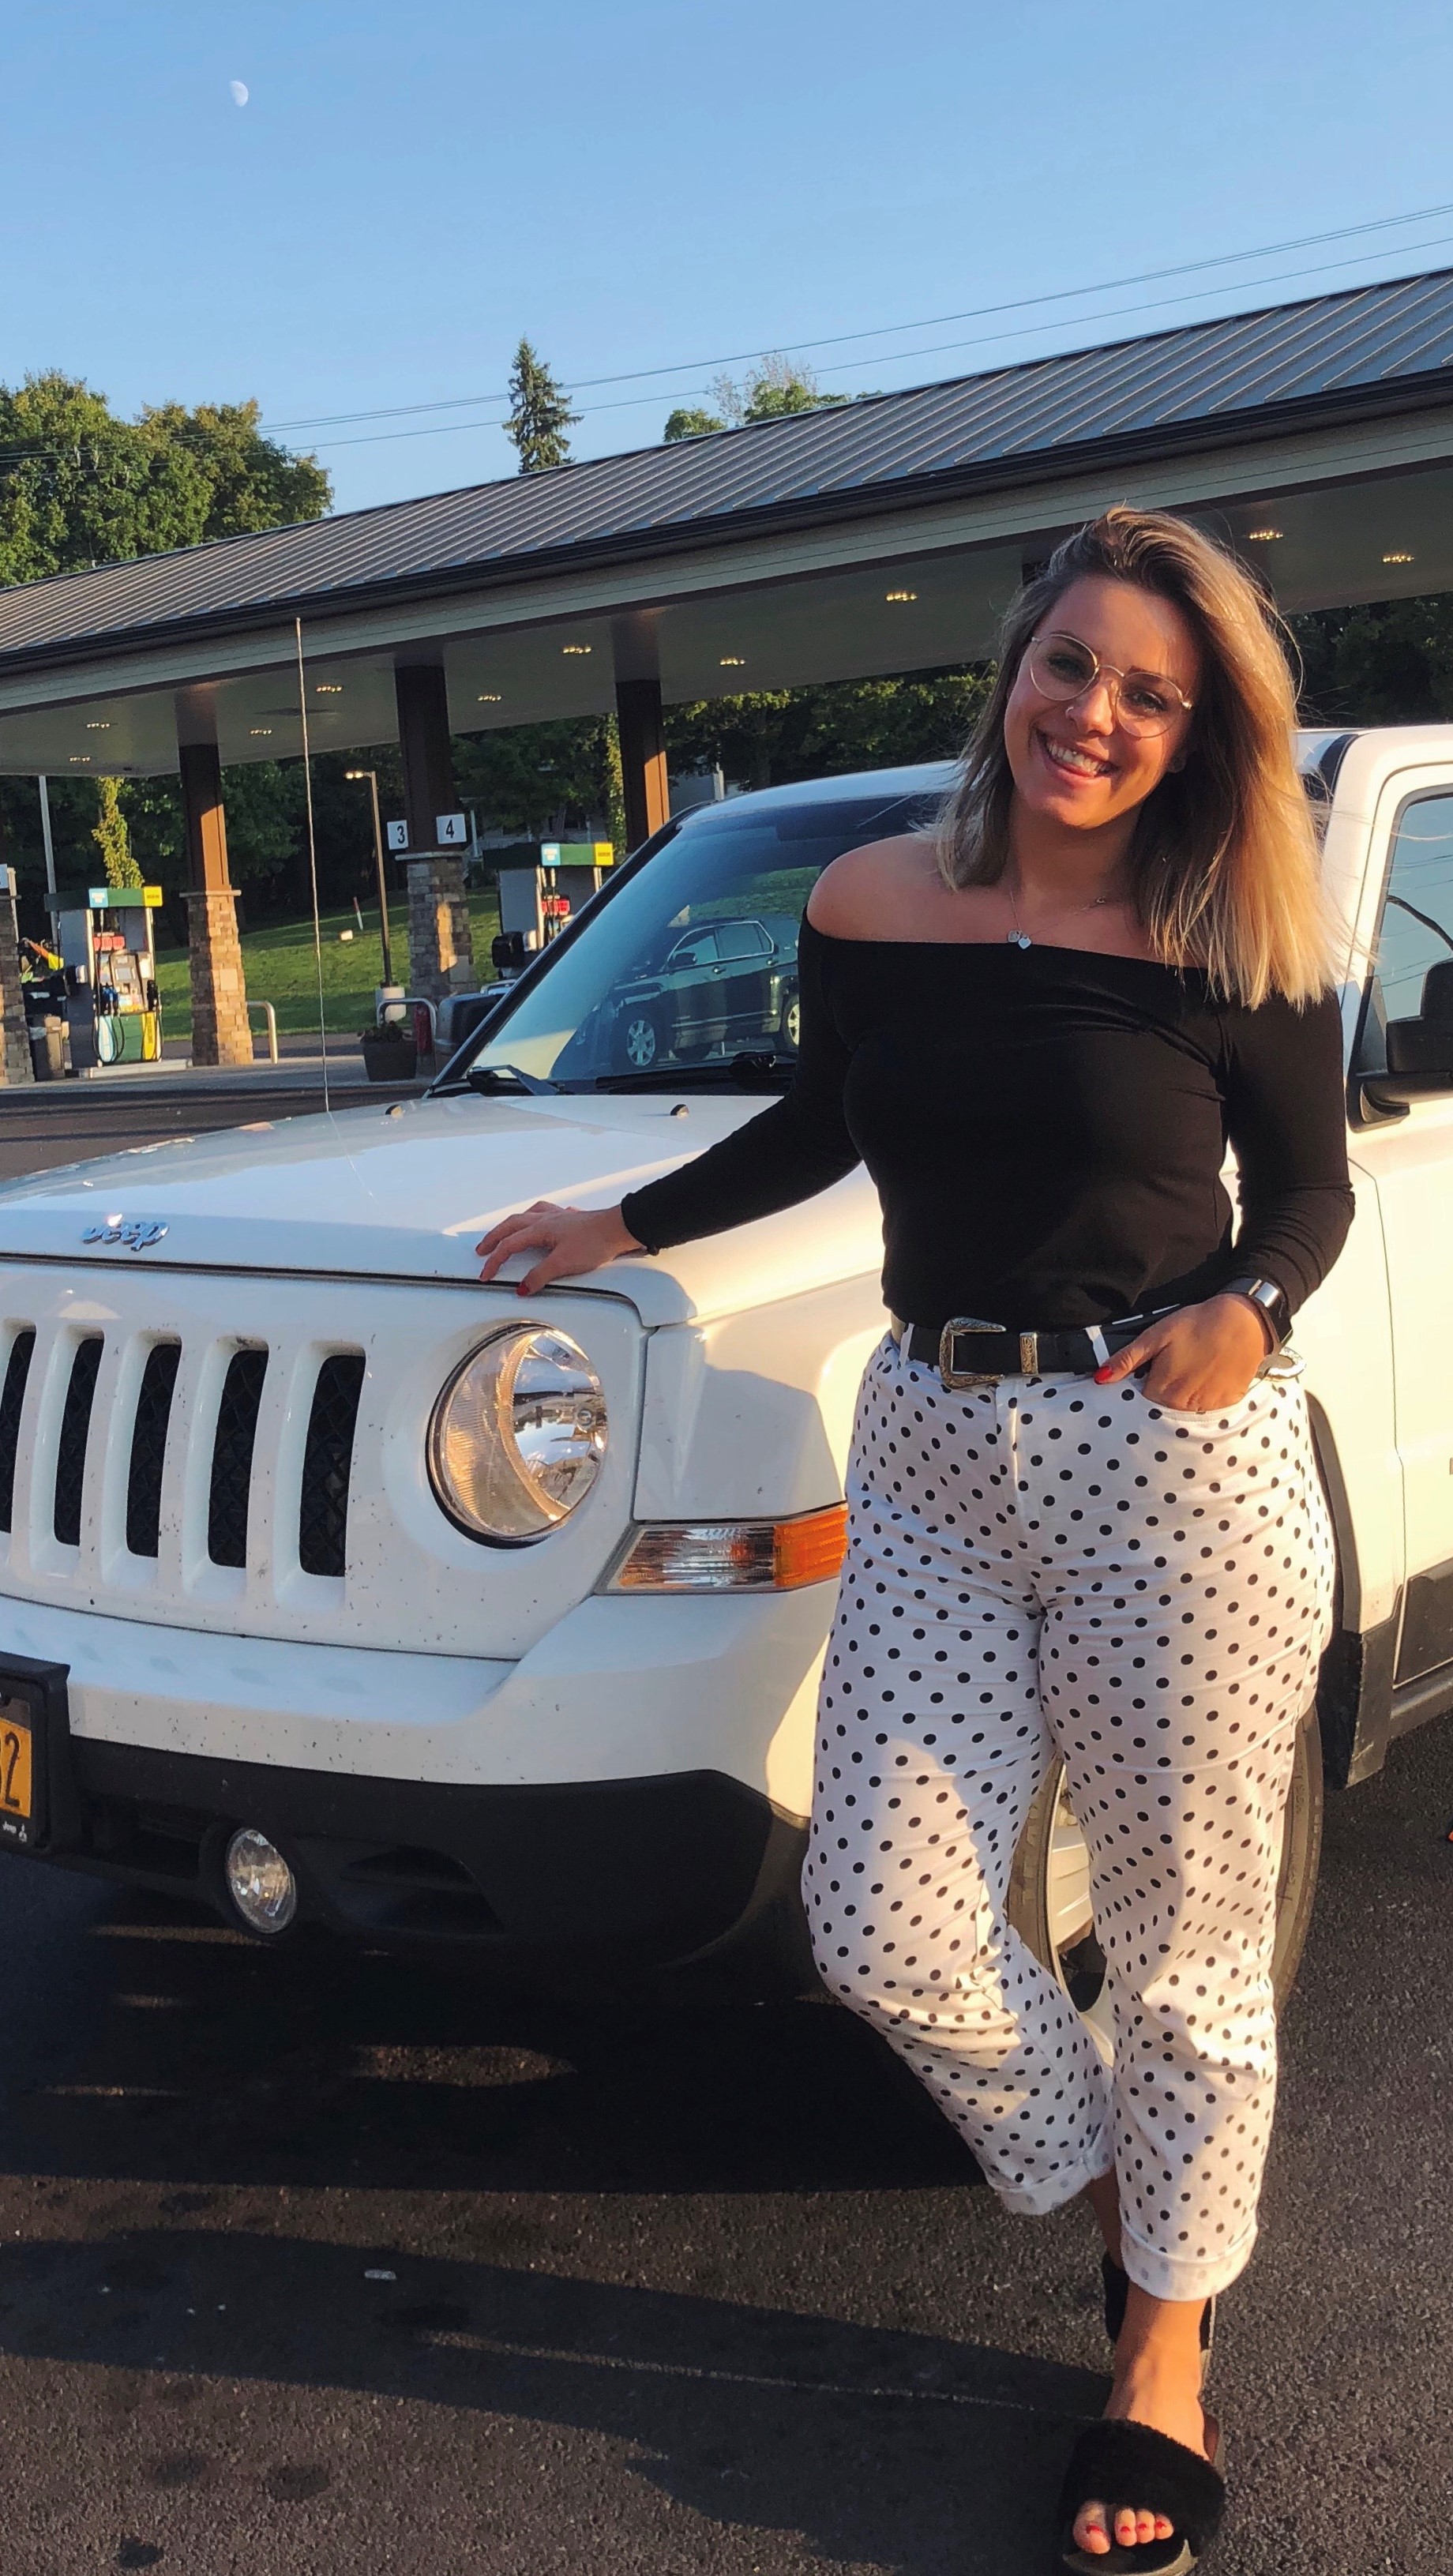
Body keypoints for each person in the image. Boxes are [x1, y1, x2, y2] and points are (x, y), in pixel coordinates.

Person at [477, 506, 1352, 2570]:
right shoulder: (872, 901)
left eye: (1151, 694)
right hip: (936, 1439)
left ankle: (1161, 2353)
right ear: (1013, 662)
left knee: (1184, 1950)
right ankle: (1130, 2196)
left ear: (1197, 728)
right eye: (1073, 666)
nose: (1098, 716)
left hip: (1170, 1462)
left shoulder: (1234, 930)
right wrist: (622, 1223)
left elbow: (1304, 1196)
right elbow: (821, 1121)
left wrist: (1251, 1313)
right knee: (881, 1918)